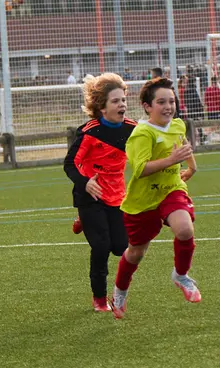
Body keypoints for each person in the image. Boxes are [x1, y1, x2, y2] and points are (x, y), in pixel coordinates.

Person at [109, 77, 201, 319]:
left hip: (171, 189)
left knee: (184, 230)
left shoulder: (178, 125)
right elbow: (140, 169)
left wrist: (191, 167)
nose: (168, 106)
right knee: (135, 252)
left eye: (172, 101)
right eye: (161, 102)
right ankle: (120, 291)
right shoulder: (142, 134)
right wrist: (171, 160)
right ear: (147, 106)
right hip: (143, 201)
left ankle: (181, 276)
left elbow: (183, 145)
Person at [63, 73, 136, 312]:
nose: (122, 105)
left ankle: (84, 222)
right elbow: (70, 164)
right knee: (102, 246)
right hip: (90, 196)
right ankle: (99, 298)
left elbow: (147, 153)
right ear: (102, 107)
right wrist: (85, 182)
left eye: (123, 100)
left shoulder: (133, 129)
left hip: (117, 196)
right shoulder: (89, 132)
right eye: (115, 101)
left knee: (120, 247)